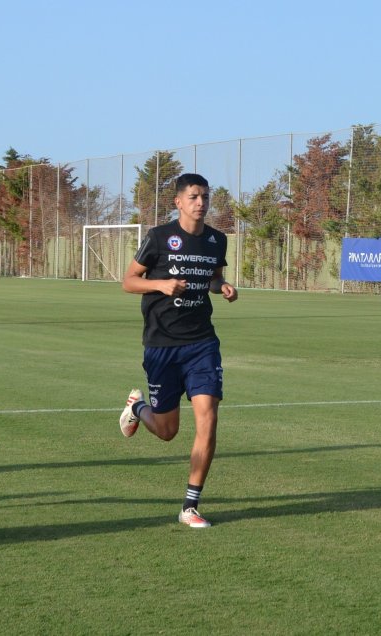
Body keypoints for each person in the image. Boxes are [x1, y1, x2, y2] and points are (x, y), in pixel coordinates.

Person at [119, 173, 238, 528]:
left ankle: (190, 505)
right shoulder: (158, 237)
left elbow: (213, 278)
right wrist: (160, 284)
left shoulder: (217, 240)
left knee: (209, 418)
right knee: (168, 430)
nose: (200, 203)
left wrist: (223, 286)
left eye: (205, 197)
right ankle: (138, 408)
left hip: (202, 343)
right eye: (194, 197)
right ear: (179, 202)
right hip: (161, 345)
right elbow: (128, 281)